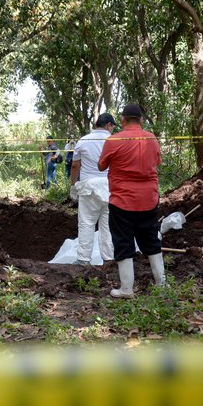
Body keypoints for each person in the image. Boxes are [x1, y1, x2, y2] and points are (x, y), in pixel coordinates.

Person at [97, 103, 165, 297]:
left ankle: (127, 289)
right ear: (142, 121)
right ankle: (161, 284)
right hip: (148, 199)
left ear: (122, 120)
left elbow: (101, 166)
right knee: (151, 239)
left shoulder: (113, 140)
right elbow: (157, 162)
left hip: (122, 201)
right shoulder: (152, 138)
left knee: (123, 241)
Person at [69, 113, 116, 266]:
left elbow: (75, 165)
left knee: (87, 223)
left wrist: (72, 185)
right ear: (109, 125)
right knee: (108, 225)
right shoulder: (113, 141)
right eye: (113, 127)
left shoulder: (83, 140)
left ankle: (83, 259)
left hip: (89, 187)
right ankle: (109, 259)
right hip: (109, 187)